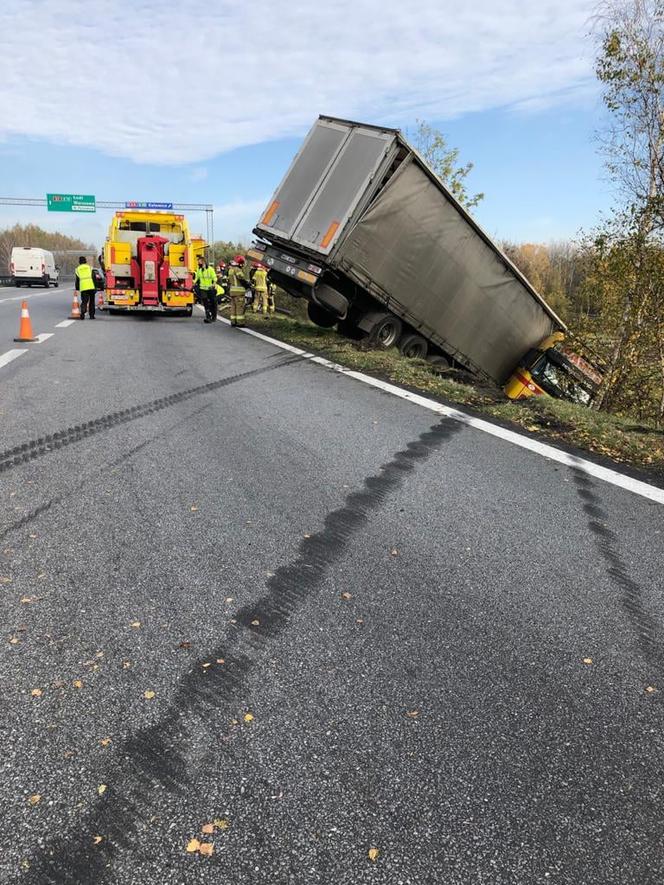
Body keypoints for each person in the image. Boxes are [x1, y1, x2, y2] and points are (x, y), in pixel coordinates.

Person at [194, 255, 218, 323]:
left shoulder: (210, 269)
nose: (198, 263)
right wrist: (193, 283)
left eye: (199, 262)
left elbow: (215, 279)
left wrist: (213, 285)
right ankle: (208, 317)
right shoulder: (199, 270)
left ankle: (214, 316)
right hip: (203, 289)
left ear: (203, 262)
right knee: (205, 302)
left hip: (210, 289)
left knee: (213, 302)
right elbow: (197, 278)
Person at [228, 255, 248, 327]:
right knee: (240, 307)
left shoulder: (231, 269)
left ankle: (233, 322)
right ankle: (240, 323)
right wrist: (247, 285)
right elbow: (241, 278)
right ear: (240, 263)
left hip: (232, 292)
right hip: (239, 292)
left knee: (233, 307)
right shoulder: (237, 269)